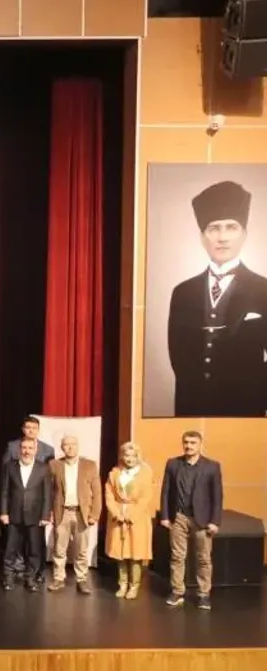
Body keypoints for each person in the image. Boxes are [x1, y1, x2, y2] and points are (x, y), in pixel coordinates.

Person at [166, 180, 267, 417]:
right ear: (202, 237)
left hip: (245, 408)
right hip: (192, 408)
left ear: (244, 235)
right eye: (214, 228)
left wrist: (255, 393)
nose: (222, 237)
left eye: (231, 227)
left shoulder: (264, 289)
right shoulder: (183, 292)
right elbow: (177, 355)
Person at [160, 431, 222, 610]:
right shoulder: (173, 464)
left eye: (193, 443)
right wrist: (165, 516)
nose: (189, 446)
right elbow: (166, 491)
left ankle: (203, 595)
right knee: (177, 557)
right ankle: (177, 591)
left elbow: (217, 496)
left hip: (202, 519)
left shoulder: (212, 466)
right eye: (186, 442)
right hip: (178, 516)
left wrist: (215, 521)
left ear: (200, 444)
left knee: (203, 558)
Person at [48, 435, 102, 595]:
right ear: (62, 448)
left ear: (78, 446)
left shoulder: (89, 465)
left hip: (81, 513)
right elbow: (49, 491)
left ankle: (82, 579)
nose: (70, 447)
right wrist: (49, 512)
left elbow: (97, 492)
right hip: (62, 512)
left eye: (73, 444)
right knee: (59, 548)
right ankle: (58, 578)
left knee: (81, 550)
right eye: (66, 445)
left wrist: (95, 514)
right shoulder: (54, 465)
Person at [0, 437, 52, 592]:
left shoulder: (43, 468)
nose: (26, 451)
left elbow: (47, 494)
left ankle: (30, 578)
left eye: (30, 448)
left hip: (35, 516)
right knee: (11, 548)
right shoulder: (10, 466)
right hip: (14, 515)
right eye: (24, 448)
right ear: (19, 449)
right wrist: (3, 512)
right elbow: (4, 491)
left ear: (35, 450)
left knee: (34, 550)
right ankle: (8, 577)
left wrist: (45, 516)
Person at [104, 442, 154, 600]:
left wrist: (131, 515)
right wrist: (116, 513)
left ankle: (134, 585)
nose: (129, 459)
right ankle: (122, 583)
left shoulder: (145, 473)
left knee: (135, 552)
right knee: (120, 553)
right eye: (126, 455)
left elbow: (146, 497)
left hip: (137, 518)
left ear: (138, 456)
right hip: (118, 517)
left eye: (133, 456)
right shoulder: (115, 473)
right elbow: (109, 495)